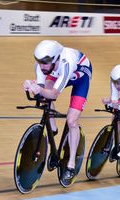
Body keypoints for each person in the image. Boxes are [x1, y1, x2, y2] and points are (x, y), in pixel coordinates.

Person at [23, 40, 92, 181]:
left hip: (81, 78)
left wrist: (40, 89)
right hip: (58, 74)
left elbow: (53, 94)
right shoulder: (42, 66)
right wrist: (31, 86)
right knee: (44, 95)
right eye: (39, 62)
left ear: (56, 59)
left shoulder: (67, 63)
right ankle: (53, 128)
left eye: (45, 63)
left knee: (72, 121)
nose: (42, 66)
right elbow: (41, 91)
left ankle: (71, 164)